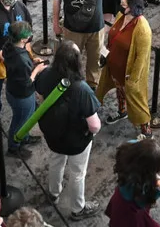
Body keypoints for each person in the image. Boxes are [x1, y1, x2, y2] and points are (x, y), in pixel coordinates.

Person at [34, 40, 104, 220]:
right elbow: (95, 125)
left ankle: (53, 193)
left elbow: (39, 95)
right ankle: (77, 208)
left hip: (53, 136)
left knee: (56, 161)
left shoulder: (47, 74)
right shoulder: (82, 89)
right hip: (76, 141)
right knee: (77, 173)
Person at [53, 0, 120, 89]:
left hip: (96, 28)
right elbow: (57, 0)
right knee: (70, 58)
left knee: (94, 60)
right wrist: (55, 22)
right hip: (72, 29)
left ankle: (92, 85)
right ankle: (70, 83)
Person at [98, 0, 153, 137]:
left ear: (132, 7)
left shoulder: (143, 29)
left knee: (137, 100)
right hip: (114, 67)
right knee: (119, 90)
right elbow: (112, 40)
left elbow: (142, 58)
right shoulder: (120, 16)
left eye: (124, 4)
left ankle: (146, 132)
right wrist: (105, 55)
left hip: (128, 73)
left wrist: (133, 79)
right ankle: (122, 111)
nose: (121, 4)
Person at [105, 138, 160, 227]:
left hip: (118, 199)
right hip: (130, 212)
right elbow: (142, 203)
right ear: (147, 171)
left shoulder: (129, 151)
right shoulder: (136, 185)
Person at [3, 21, 46, 159]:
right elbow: (27, 81)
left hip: (13, 90)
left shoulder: (10, 46)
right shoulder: (20, 59)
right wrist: (37, 69)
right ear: (23, 39)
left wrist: (32, 63)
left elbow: (20, 65)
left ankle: (24, 136)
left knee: (24, 118)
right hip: (21, 96)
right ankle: (14, 146)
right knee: (20, 120)